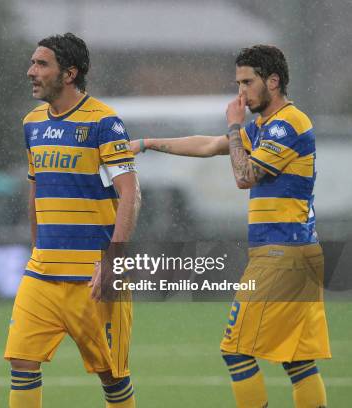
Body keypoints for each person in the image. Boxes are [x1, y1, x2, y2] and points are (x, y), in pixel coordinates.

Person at [131, 45, 330, 408]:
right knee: (298, 360)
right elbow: (209, 145)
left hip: (282, 255)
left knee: (236, 351)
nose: (240, 92)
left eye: (247, 82)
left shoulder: (288, 124)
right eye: (238, 82)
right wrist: (146, 144)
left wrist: (236, 125)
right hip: (295, 253)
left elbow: (244, 175)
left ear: (273, 81)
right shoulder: (267, 126)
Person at [4, 33, 141, 408]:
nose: (31, 71)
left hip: (94, 275)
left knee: (112, 377)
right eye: (33, 62)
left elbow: (130, 192)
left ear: (69, 73)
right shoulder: (32, 123)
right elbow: (36, 190)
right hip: (43, 273)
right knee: (22, 362)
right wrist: (37, 250)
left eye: (41, 64)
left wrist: (114, 261)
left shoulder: (104, 122)